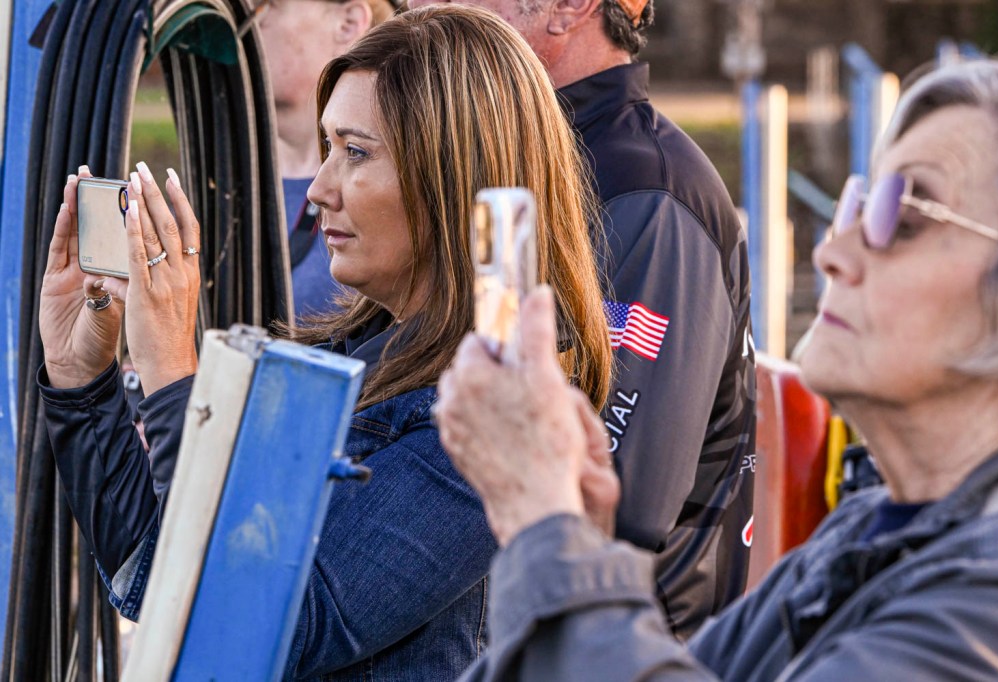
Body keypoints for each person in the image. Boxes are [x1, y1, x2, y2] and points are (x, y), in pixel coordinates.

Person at [37, 6, 612, 680]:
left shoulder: (492, 421)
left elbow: (262, 625)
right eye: (327, 148)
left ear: (452, 174)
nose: (317, 189)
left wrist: (172, 371)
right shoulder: (355, 354)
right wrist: (81, 379)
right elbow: (151, 573)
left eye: (355, 152)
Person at [435, 55, 998, 680]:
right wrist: (576, 533)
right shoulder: (860, 539)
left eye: (902, 218)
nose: (833, 252)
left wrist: (545, 523)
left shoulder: (996, 606)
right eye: (857, 206)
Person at [410, 0, 756, 636]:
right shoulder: (506, 159)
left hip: (622, 646)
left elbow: (616, 502)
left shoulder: (645, 189)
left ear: (569, 7)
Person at [249, 0, 397, 316]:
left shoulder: (389, 203)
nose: (243, 26)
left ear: (347, 23)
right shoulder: (217, 179)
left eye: (263, 6)